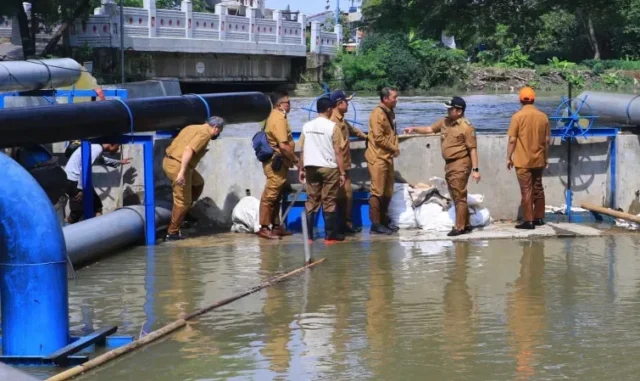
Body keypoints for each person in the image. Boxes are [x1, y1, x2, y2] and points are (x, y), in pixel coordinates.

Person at [404, 96, 481, 237]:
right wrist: (414, 129)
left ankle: (460, 227)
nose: (448, 111)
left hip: (461, 163)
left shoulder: (467, 127)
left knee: (459, 196)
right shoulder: (445, 122)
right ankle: (466, 224)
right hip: (449, 164)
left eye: (451, 109)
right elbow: (429, 129)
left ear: (459, 111)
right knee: (455, 194)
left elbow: (473, 149)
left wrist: (475, 170)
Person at [163, 116, 225, 241]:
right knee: (182, 201)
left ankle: (184, 213)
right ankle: (172, 233)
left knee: (198, 183)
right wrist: (181, 172)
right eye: (219, 131)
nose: (218, 134)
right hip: (179, 165)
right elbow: (188, 150)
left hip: (170, 161)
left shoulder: (192, 127)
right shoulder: (205, 134)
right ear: (216, 128)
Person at [299, 96, 347, 242]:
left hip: (310, 167)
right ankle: (330, 236)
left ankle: (309, 237)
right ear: (329, 109)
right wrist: (342, 172)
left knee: (311, 200)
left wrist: (301, 169)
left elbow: (302, 149)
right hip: (329, 168)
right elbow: (338, 151)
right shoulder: (333, 127)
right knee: (329, 201)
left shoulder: (306, 126)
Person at [506, 87, 551, 230]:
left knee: (526, 190)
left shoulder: (517, 117)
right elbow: (547, 140)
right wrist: (546, 157)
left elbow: (512, 140)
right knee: (538, 188)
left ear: (520, 100)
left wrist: (508, 157)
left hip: (523, 161)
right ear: (534, 99)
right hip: (539, 159)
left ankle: (528, 221)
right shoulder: (543, 116)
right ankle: (539, 218)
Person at [258, 91, 298, 240]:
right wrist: (295, 160)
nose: (290, 105)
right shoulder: (278, 119)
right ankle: (264, 227)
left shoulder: (274, 116)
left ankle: (275, 226)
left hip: (278, 161)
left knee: (276, 195)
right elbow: (283, 145)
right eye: (288, 102)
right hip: (277, 161)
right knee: (271, 194)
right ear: (279, 105)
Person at [329, 90, 367, 234]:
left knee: (347, 196)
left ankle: (346, 223)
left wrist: (367, 137)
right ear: (339, 104)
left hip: (344, 165)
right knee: (338, 197)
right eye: (346, 102)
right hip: (336, 167)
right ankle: (340, 226)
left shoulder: (342, 120)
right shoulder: (332, 121)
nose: (348, 105)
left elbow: (353, 130)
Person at [64, 143, 130, 224]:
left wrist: (119, 162)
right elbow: (84, 168)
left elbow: (102, 159)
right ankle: (66, 229)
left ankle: (98, 228)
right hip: (73, 180)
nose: (118, 149)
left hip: (78, 180)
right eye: (118, 146)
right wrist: (81, 189)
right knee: (77, 212)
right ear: (112, 144)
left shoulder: (96, 148)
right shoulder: (96, 149)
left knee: (97, 205)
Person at [365, 87, 400, 235]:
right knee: (377, 191)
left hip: (387, 157)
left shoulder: (389, 112)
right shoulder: (377, 114)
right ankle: (375, 223)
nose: (396, 100)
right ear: (385, 99)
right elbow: (379, 138)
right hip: (378, 157)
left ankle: (384, 219)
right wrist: (393, 148)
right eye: (394, 97)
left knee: (387, 190)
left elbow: (391, 133)